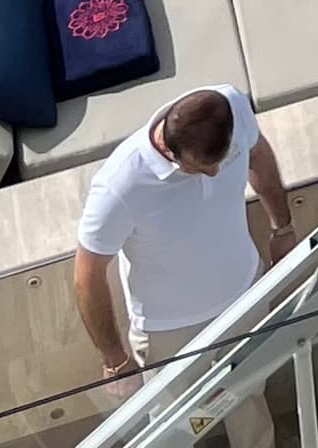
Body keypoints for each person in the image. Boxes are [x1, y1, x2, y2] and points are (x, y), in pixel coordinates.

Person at [72, 85, 293, 424]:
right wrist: (114, 360)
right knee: (175, 423)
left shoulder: (233, 105)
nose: (214, 173)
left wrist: (283, 228)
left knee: (249, 393)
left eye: (219, 161)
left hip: (245, 295)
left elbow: (259, 156)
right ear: (167, 150)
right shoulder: (118, 186)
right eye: (201, 167)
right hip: (169, 332)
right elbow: (87, 276)